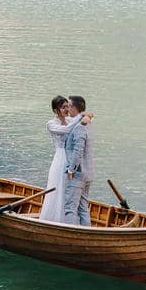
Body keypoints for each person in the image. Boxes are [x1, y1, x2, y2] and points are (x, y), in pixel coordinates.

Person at [39, 95, 92, 222]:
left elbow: (87, 119)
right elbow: (67, 129)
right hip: (60, 159)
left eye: (67, 106)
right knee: (59, 187)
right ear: (56, 110)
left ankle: (69, 220)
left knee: (70, 191)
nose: (67, 109)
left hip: (71, 158)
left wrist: (87, 116)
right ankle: (57, 220)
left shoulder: (70, 119)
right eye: (63, 107)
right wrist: (82, 115)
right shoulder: (51, 124)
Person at [64, 94, 94, 225]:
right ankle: (87, 234)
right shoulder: (85, 123)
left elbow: (78, 151)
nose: (67, 109)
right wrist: (88, 115)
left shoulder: (80, 127)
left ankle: (70, 237)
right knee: (83, 208)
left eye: (69, 106)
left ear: (75, 108)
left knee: (70, 208)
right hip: (88, 173)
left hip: (78, 174)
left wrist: (71, 169)